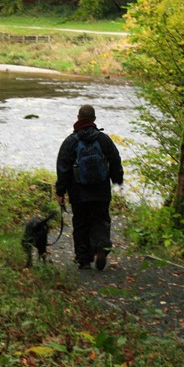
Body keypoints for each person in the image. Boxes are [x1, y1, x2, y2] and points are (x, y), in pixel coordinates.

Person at [55, 104, 124, 270]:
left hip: (78, 192)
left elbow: (63, 167)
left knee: (80, 223)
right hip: (101, 190)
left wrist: (60, 191)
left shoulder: (70, 141)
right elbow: (115, 160)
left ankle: (84, 259)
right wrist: (117, 179)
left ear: (78, 118)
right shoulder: (103, 139)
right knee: (100, 219)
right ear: (94, 119)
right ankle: (101, 244)